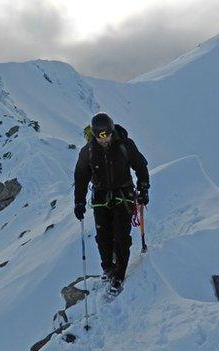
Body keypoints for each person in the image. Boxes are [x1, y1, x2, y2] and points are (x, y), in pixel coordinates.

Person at [73, 112, 150, 292]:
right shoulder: (88, 151)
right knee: (103, 237)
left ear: (111, 131)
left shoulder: (124, 145)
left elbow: (140, 165)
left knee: (121, 236)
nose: (104, 140)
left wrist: (143, 187)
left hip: (124, 195)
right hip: (100, 197)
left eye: (106, 135)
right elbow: (81, 177)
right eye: (100, 137)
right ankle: (107, 268)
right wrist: (79, 202)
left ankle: (119, 274)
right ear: (94, 134)